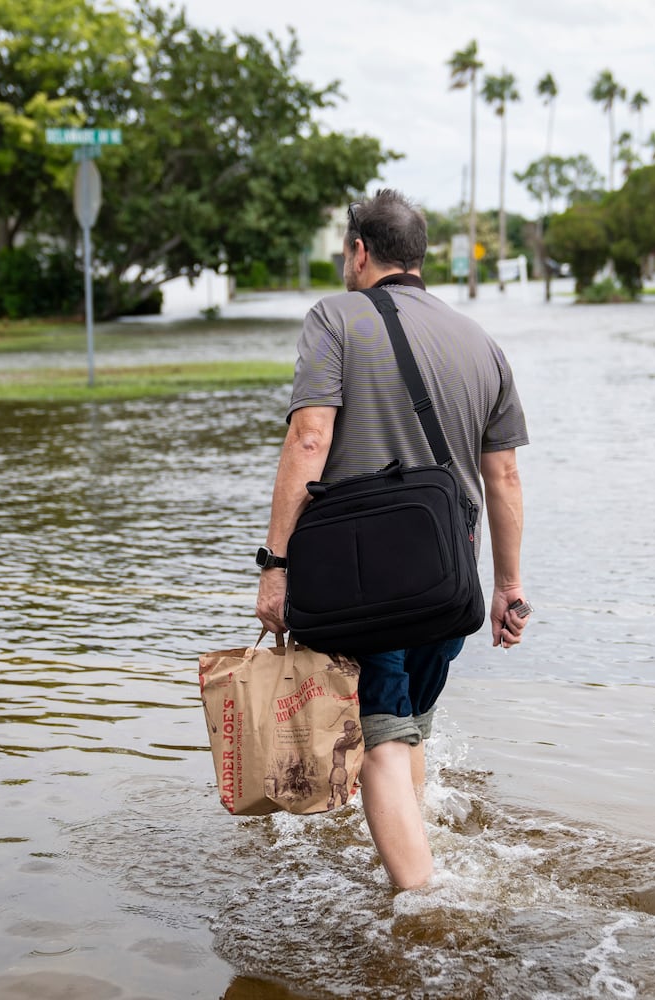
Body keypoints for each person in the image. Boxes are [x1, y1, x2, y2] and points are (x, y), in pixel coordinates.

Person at [254, 189, 530, 889]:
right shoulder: (481, 340)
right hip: (452, 573)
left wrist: (275, 563)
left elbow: (310, 436)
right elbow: (503, 479)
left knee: (380, 734)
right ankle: (423, 855)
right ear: (420, 256)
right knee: (411, 725)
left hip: (366, 572)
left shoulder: (335, 317)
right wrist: (508, 589)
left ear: (358, 251)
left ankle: (426, 909)